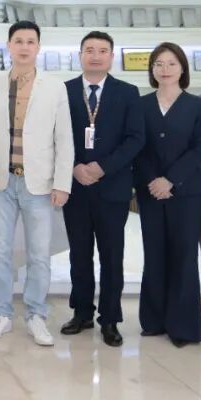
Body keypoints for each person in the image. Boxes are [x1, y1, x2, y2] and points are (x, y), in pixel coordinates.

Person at [0, 21, 73, 347]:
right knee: (0, 252)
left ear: (38, 48)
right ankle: (1, 314)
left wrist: (62, 183)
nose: (24, 47)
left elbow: (64, 139)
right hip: (1, 181)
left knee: (39, 255)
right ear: (9, 46)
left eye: (30, 41)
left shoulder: (54, 87)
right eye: (18, 41)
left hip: (40, 184)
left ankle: (36, 315)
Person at [61, 31, 144, 347]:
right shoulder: (64, 91)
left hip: (112, 187)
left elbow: (135, 138)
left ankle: (110, 319)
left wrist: (102, 167)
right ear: (80, 55)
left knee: (112, 255)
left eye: (102, 50)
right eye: (89, 50)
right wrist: (74, 167)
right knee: (79, 254)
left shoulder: (128, 92)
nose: (95, 56)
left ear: (111, 56)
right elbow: (54, 136)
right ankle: (81, 312)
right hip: (75, 186)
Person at [134, 42, 201, 348]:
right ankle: (153, 321)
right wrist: (153, 180)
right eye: (158, 64)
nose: (164, 69)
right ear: (151, 70)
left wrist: (171, 180)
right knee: (154, 253)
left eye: (171, 63)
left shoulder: (198, 106)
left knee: (183, 255)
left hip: (187, 193)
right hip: (150, 191)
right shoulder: (140, 105)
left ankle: (183, 326)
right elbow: (136, 146)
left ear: (182, 68)